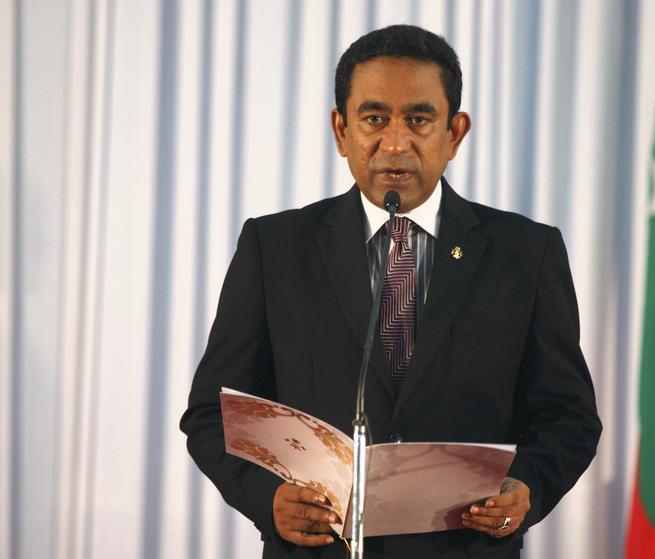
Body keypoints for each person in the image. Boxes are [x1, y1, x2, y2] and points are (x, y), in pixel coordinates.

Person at [180, 24, 601, 559]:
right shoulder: (275, 248)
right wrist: (268, 499)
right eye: (374, 119)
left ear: (455, 134)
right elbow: (212, 413)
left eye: (419, 120)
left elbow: (568, 416)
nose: (395, 142)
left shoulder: (526, 253)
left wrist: (526, 488)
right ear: (341, 130)